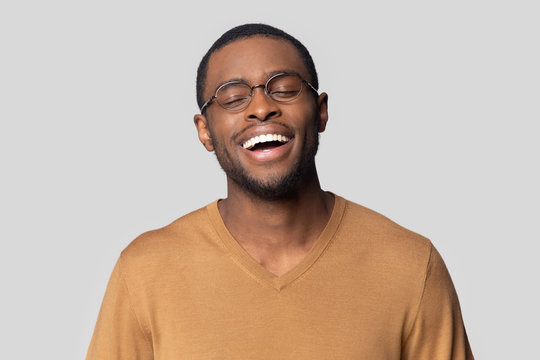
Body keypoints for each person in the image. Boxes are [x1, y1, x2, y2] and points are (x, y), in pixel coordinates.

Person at [86, 23, 474, 359]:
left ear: (320, 111)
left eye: (284, 89)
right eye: (234, 97)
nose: (260, 108)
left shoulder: (410, 265)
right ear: (204, 130)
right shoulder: (145, 270)